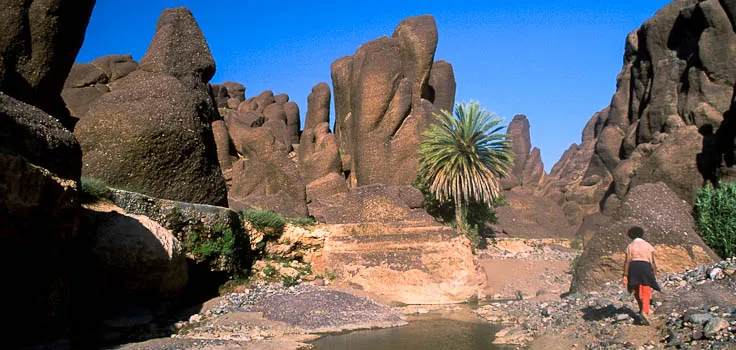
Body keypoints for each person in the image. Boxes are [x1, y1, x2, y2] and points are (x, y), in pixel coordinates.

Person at [622, 226, 660, 325]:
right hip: (645, 266)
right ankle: (645, 311)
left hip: (634, 266)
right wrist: (655, 274)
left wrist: (625, 275)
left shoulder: (630, 246)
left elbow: (627, 261)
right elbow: (652, 262)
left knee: (636, 288)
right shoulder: (648, 245)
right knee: (646, 289)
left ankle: (641, 309)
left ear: (630, 236)